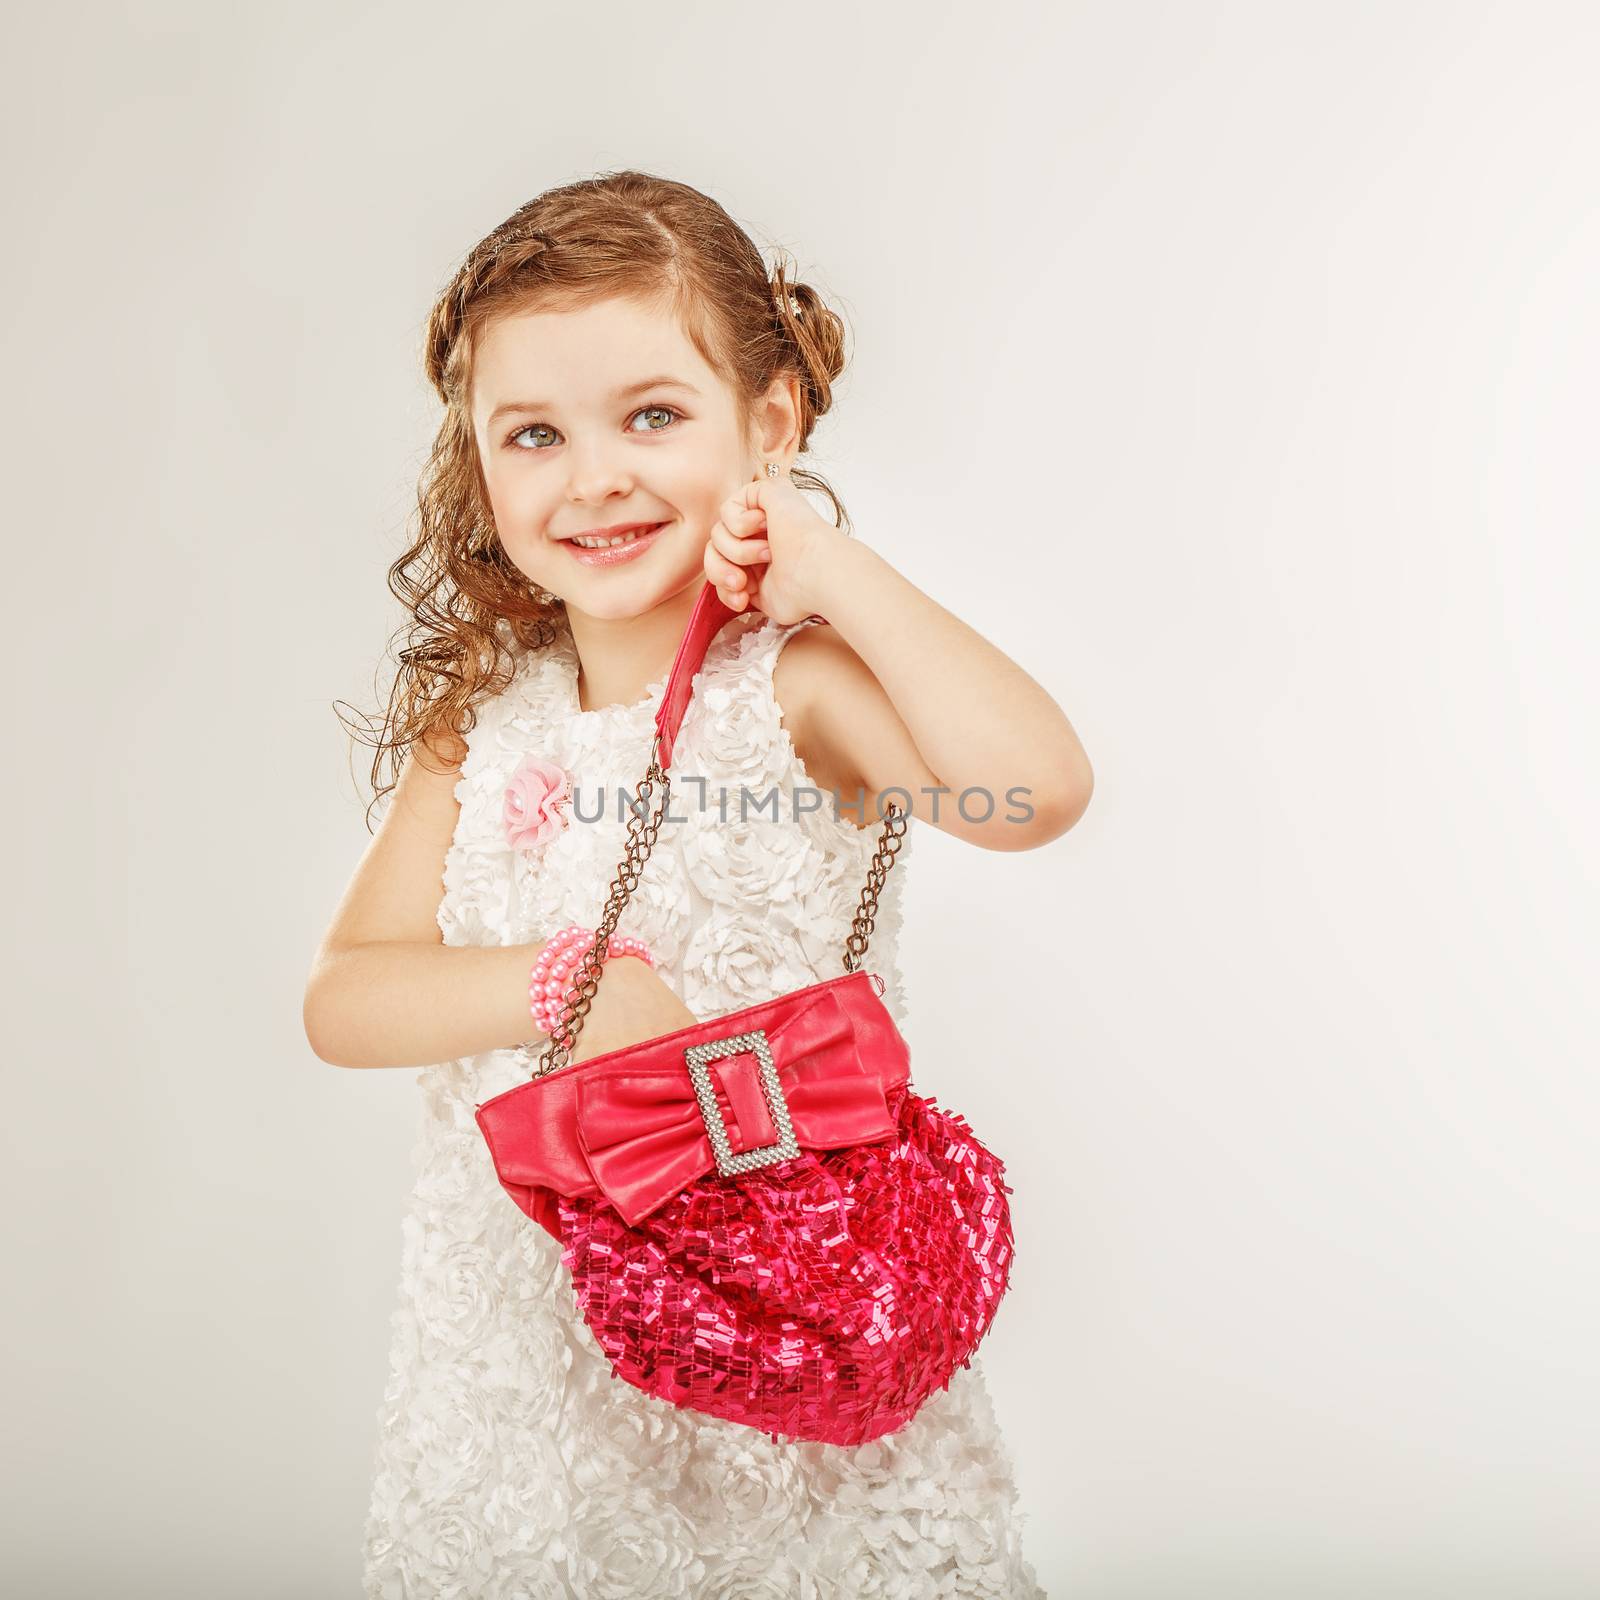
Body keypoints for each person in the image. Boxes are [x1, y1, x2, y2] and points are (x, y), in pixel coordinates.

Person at [305, 169, 1092, 1598]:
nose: (593, 475)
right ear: (477, 463)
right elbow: (346, 996)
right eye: (533, 433)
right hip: (528, 1376)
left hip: (787, 1339)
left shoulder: (794, 692)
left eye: (652, 416)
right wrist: (565, 985)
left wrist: (832, 573)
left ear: (769, 424)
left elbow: (1033, 789)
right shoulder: (480, 725)